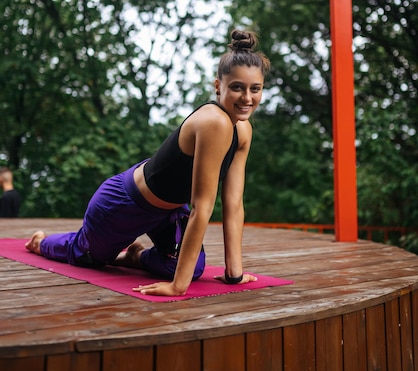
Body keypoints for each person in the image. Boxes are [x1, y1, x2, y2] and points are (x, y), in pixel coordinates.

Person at [26, 29, 270, 297]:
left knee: (191, 266)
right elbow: (203, 207)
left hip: (168, 213)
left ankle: (135, 257)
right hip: (123, 203)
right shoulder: (214, 121)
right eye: (237, 87)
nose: (247, 98)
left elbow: (234, 204)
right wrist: (179, 287)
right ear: (218, 86)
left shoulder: (243, 130)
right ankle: (42, 242)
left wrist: (234, 274)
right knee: (88, 257)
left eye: (255, 89)